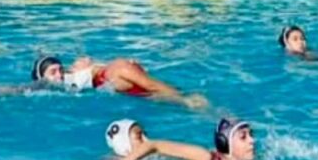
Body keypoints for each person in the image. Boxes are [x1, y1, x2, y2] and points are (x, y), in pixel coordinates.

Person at [108, 118, 255, 160]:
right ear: (225, 142)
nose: (252, 141)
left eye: (251, 135)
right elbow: (154, 145)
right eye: (243, 137)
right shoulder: (205, 158)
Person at [35, 54, 207, 108]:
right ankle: (188, 98)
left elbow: (87, 62)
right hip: (112, 81)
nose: (58, 74)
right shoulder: (48, 85)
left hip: (114, 72)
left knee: (153, 87)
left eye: (59, 69)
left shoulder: (70, 71)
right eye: (53, 72)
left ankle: (188, 100)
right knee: (150, 95)